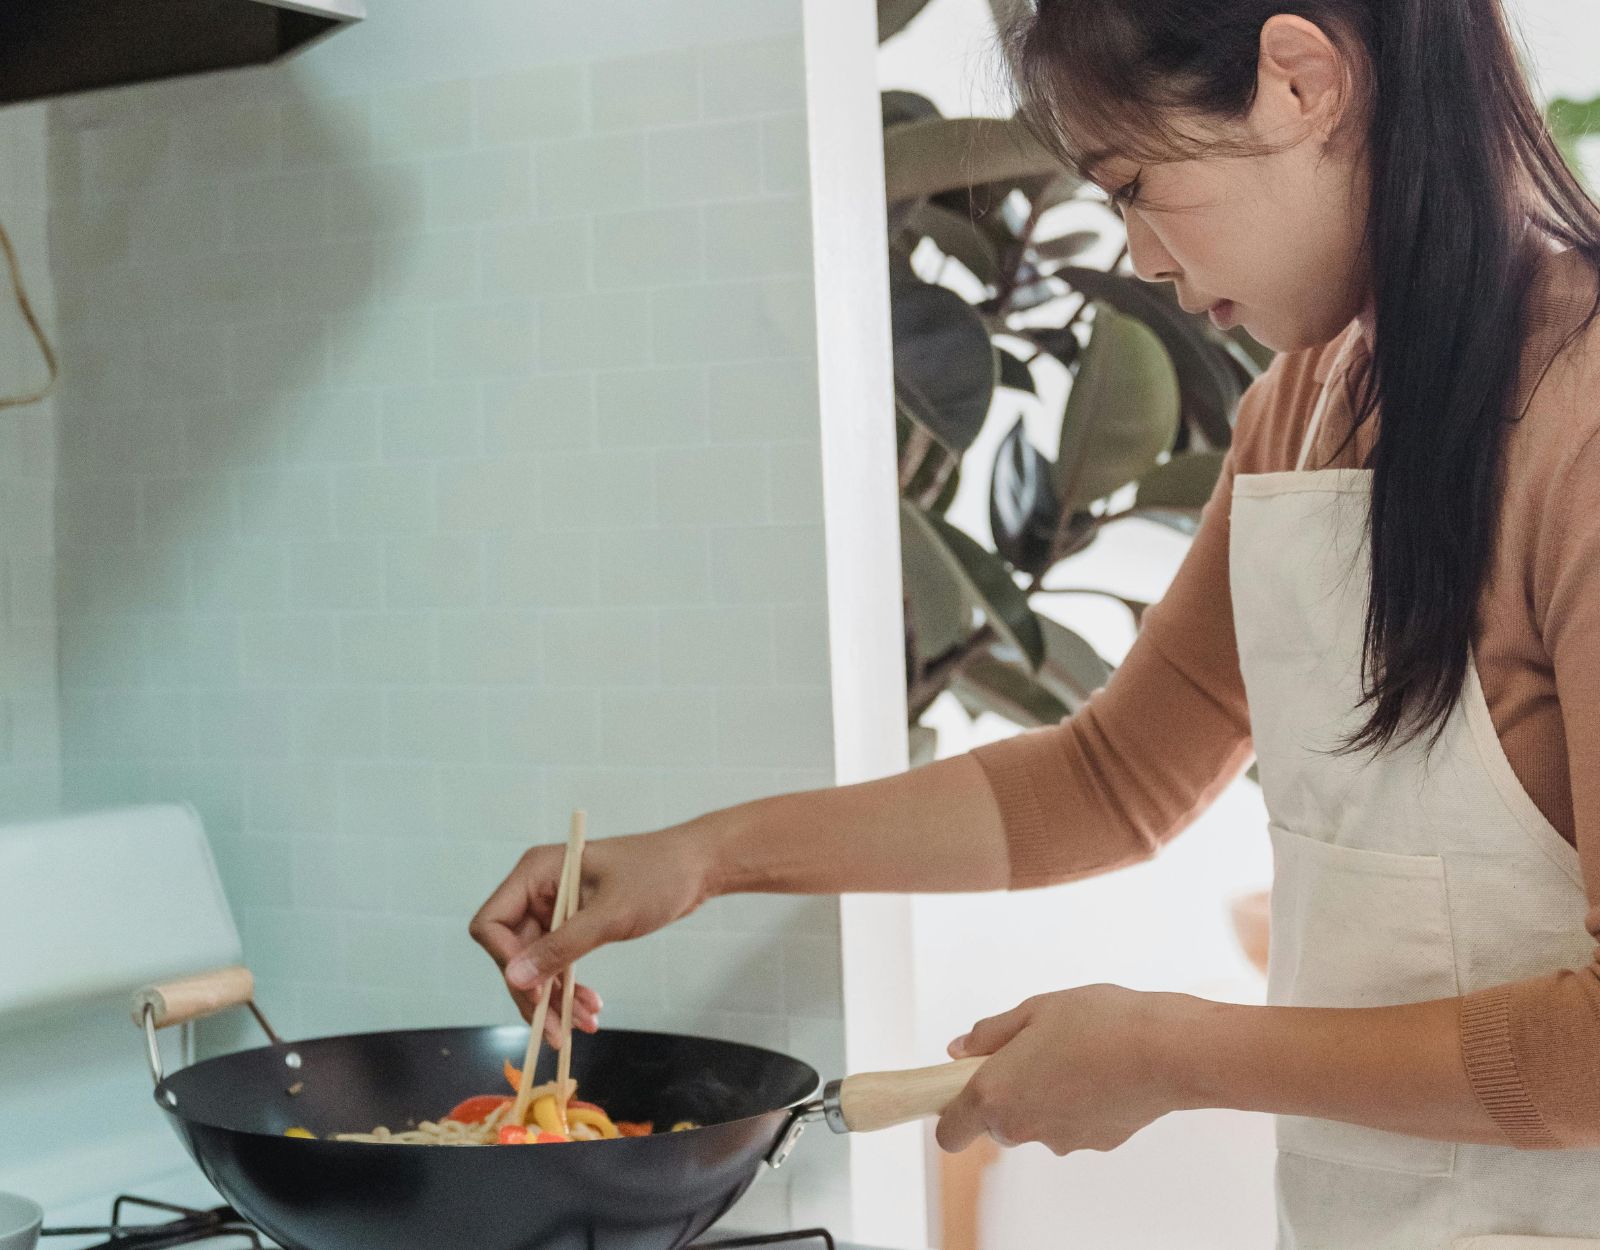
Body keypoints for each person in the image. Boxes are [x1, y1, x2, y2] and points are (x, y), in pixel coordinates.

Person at [472, 2, 1600, 1245]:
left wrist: (1175, 1050)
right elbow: (1114, 777)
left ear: (1299, 80)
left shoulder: (1582, 418)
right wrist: (707, 854)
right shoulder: (1305, 406)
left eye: (1134, 179)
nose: (1139, 255)